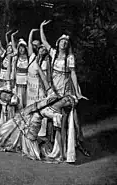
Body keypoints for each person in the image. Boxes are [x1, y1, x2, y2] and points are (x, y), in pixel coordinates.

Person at [0, 94, 78, 162]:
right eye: (66, 98)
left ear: (68, 105)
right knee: (5, 129)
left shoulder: (57, 114)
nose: (66, 100)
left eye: (68, 101)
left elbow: (58, 131)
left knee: (24, 147)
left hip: (32, 125)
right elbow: (37, 105)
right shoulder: (52, 99)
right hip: (25, 116)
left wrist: (59, 149)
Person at [40, 20, 90, 159]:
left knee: (66, 118)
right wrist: (41, 27)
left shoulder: (70, 57)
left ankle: (69, 147)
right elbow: (44, 40)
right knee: (52, 116)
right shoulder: (54, 53)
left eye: (66, 42)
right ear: (58, 43)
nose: (64, 43)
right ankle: (52, 144)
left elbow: (73, 74)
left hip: (66, 88)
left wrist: (78, 92)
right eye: (62, 41)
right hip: (54, 88)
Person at [11, 36, 29, 109]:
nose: (21, 49)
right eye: (20, 48)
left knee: (26, 98)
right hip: (18, 81)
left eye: (23, 47)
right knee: (19, 98)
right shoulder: (16, 58)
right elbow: (13, 70)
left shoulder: (29, 57)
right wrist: (13, 79)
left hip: (27, 80)